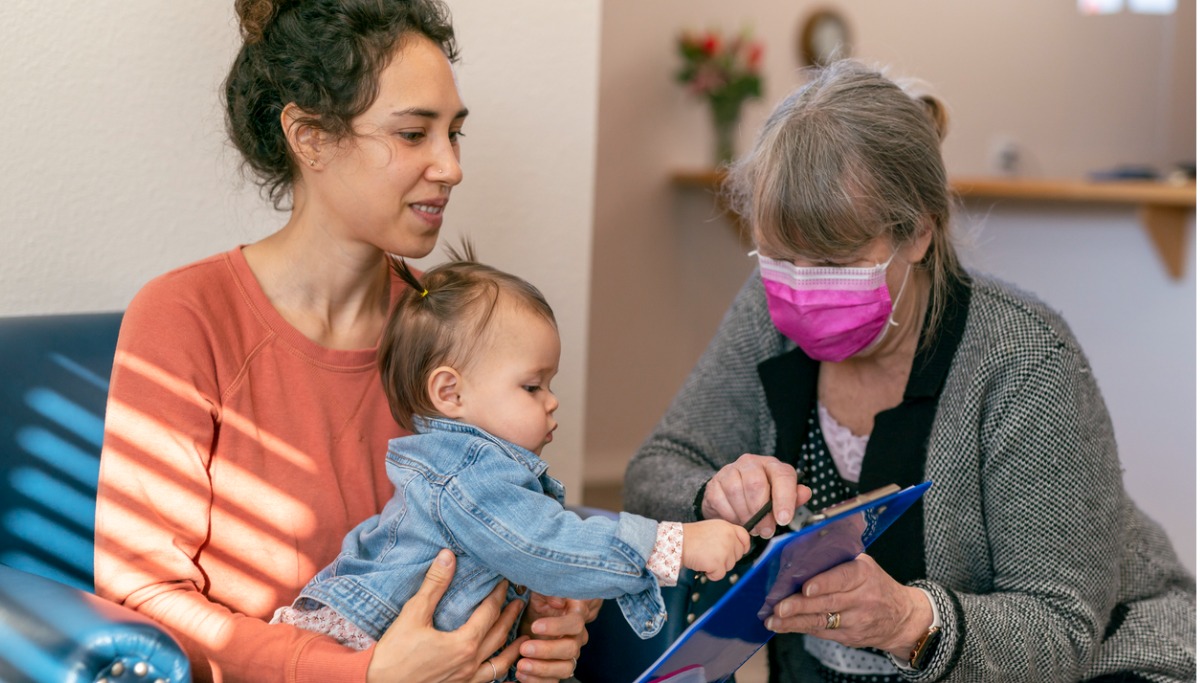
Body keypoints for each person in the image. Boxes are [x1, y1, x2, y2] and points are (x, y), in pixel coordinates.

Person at [624, 59, 1195, 683]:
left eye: (836, 261)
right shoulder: (765, 310)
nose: (803, 288)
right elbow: (656, 469)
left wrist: (907, 620)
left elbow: (1061, 630)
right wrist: (713, 494)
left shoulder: (1024, 358)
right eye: (782, 258)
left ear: (919, 234)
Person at [94, 1, 595, 681]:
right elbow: (145, 599)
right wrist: (362, 674)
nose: (450, 167)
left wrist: (541, 624)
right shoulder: (184, 317)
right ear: (309, 137)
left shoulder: (454, 336)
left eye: (454, 133)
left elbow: (493, 528)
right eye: (414, 133)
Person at [271, 246, 750, 666]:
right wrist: (674, 543)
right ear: (449, 392)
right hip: (368, 652)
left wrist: (531, 605)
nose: (552, 400)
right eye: (531, 386)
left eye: (551, 384)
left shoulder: (468, 468)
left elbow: (512, 559)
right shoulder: (469, 473)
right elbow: (542, 541)